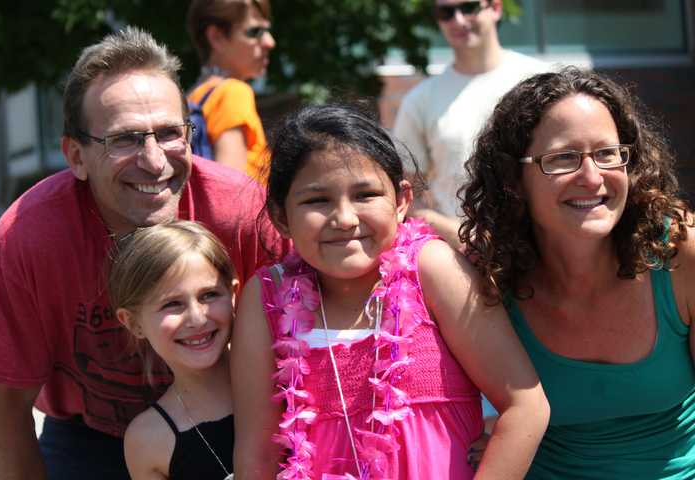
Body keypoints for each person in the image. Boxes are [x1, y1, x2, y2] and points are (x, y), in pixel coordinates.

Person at [0, 27, 280, 480]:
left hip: (229, 420)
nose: (155, 161)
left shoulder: (242, 213)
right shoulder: (27, 240)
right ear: (75, 156)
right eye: (125, 139)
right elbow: (3, 409)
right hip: (87, 439)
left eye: (169, 134)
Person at [231, 103, 549, 479]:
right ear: (280, 216)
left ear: (401, 201)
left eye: (365, 194)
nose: (345, 219)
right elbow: (257, 453)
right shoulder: (267, 296)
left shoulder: (432, 268)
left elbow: (525, 405)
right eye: (317, 200)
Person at [459, 66, 695, 478]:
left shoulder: (679, 253)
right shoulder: (485, 277)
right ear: (513, 179)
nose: (592, 178)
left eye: (607, 154)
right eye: (564, 158)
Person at [393, 0, 548, 219]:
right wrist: (451, 233)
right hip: (459, 245)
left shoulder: (541, 79)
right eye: (446, 12)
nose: (458, 20)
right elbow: (407, 191)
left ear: (495, 8)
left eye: (469, 7)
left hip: (537, 237)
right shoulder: (420, 100)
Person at [109, 220, 237, 480]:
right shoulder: (149, 439)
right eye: (172, 304)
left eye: (209, 295)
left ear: (233, 294)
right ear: (133, 323)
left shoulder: (284, 381)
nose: (197, 318)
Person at [186, 0, 275, 181]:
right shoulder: (233, 92)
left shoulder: (190, 96)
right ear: (216, 37)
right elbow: (230, 191)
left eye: (267, 31)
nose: (269, 42)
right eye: (255, 32)